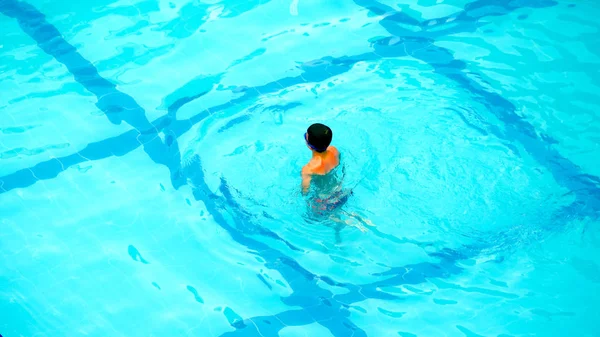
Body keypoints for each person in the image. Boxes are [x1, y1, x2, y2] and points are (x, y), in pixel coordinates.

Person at [301, 123, 374, 233]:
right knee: (339, 209)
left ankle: (350, 223)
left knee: (310, 218)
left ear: (309, 146)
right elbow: (342, 168)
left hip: (326, 201)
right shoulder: (334, 151)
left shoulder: (308, 169)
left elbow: (305, 192)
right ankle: (360, 218)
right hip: (342, 192)